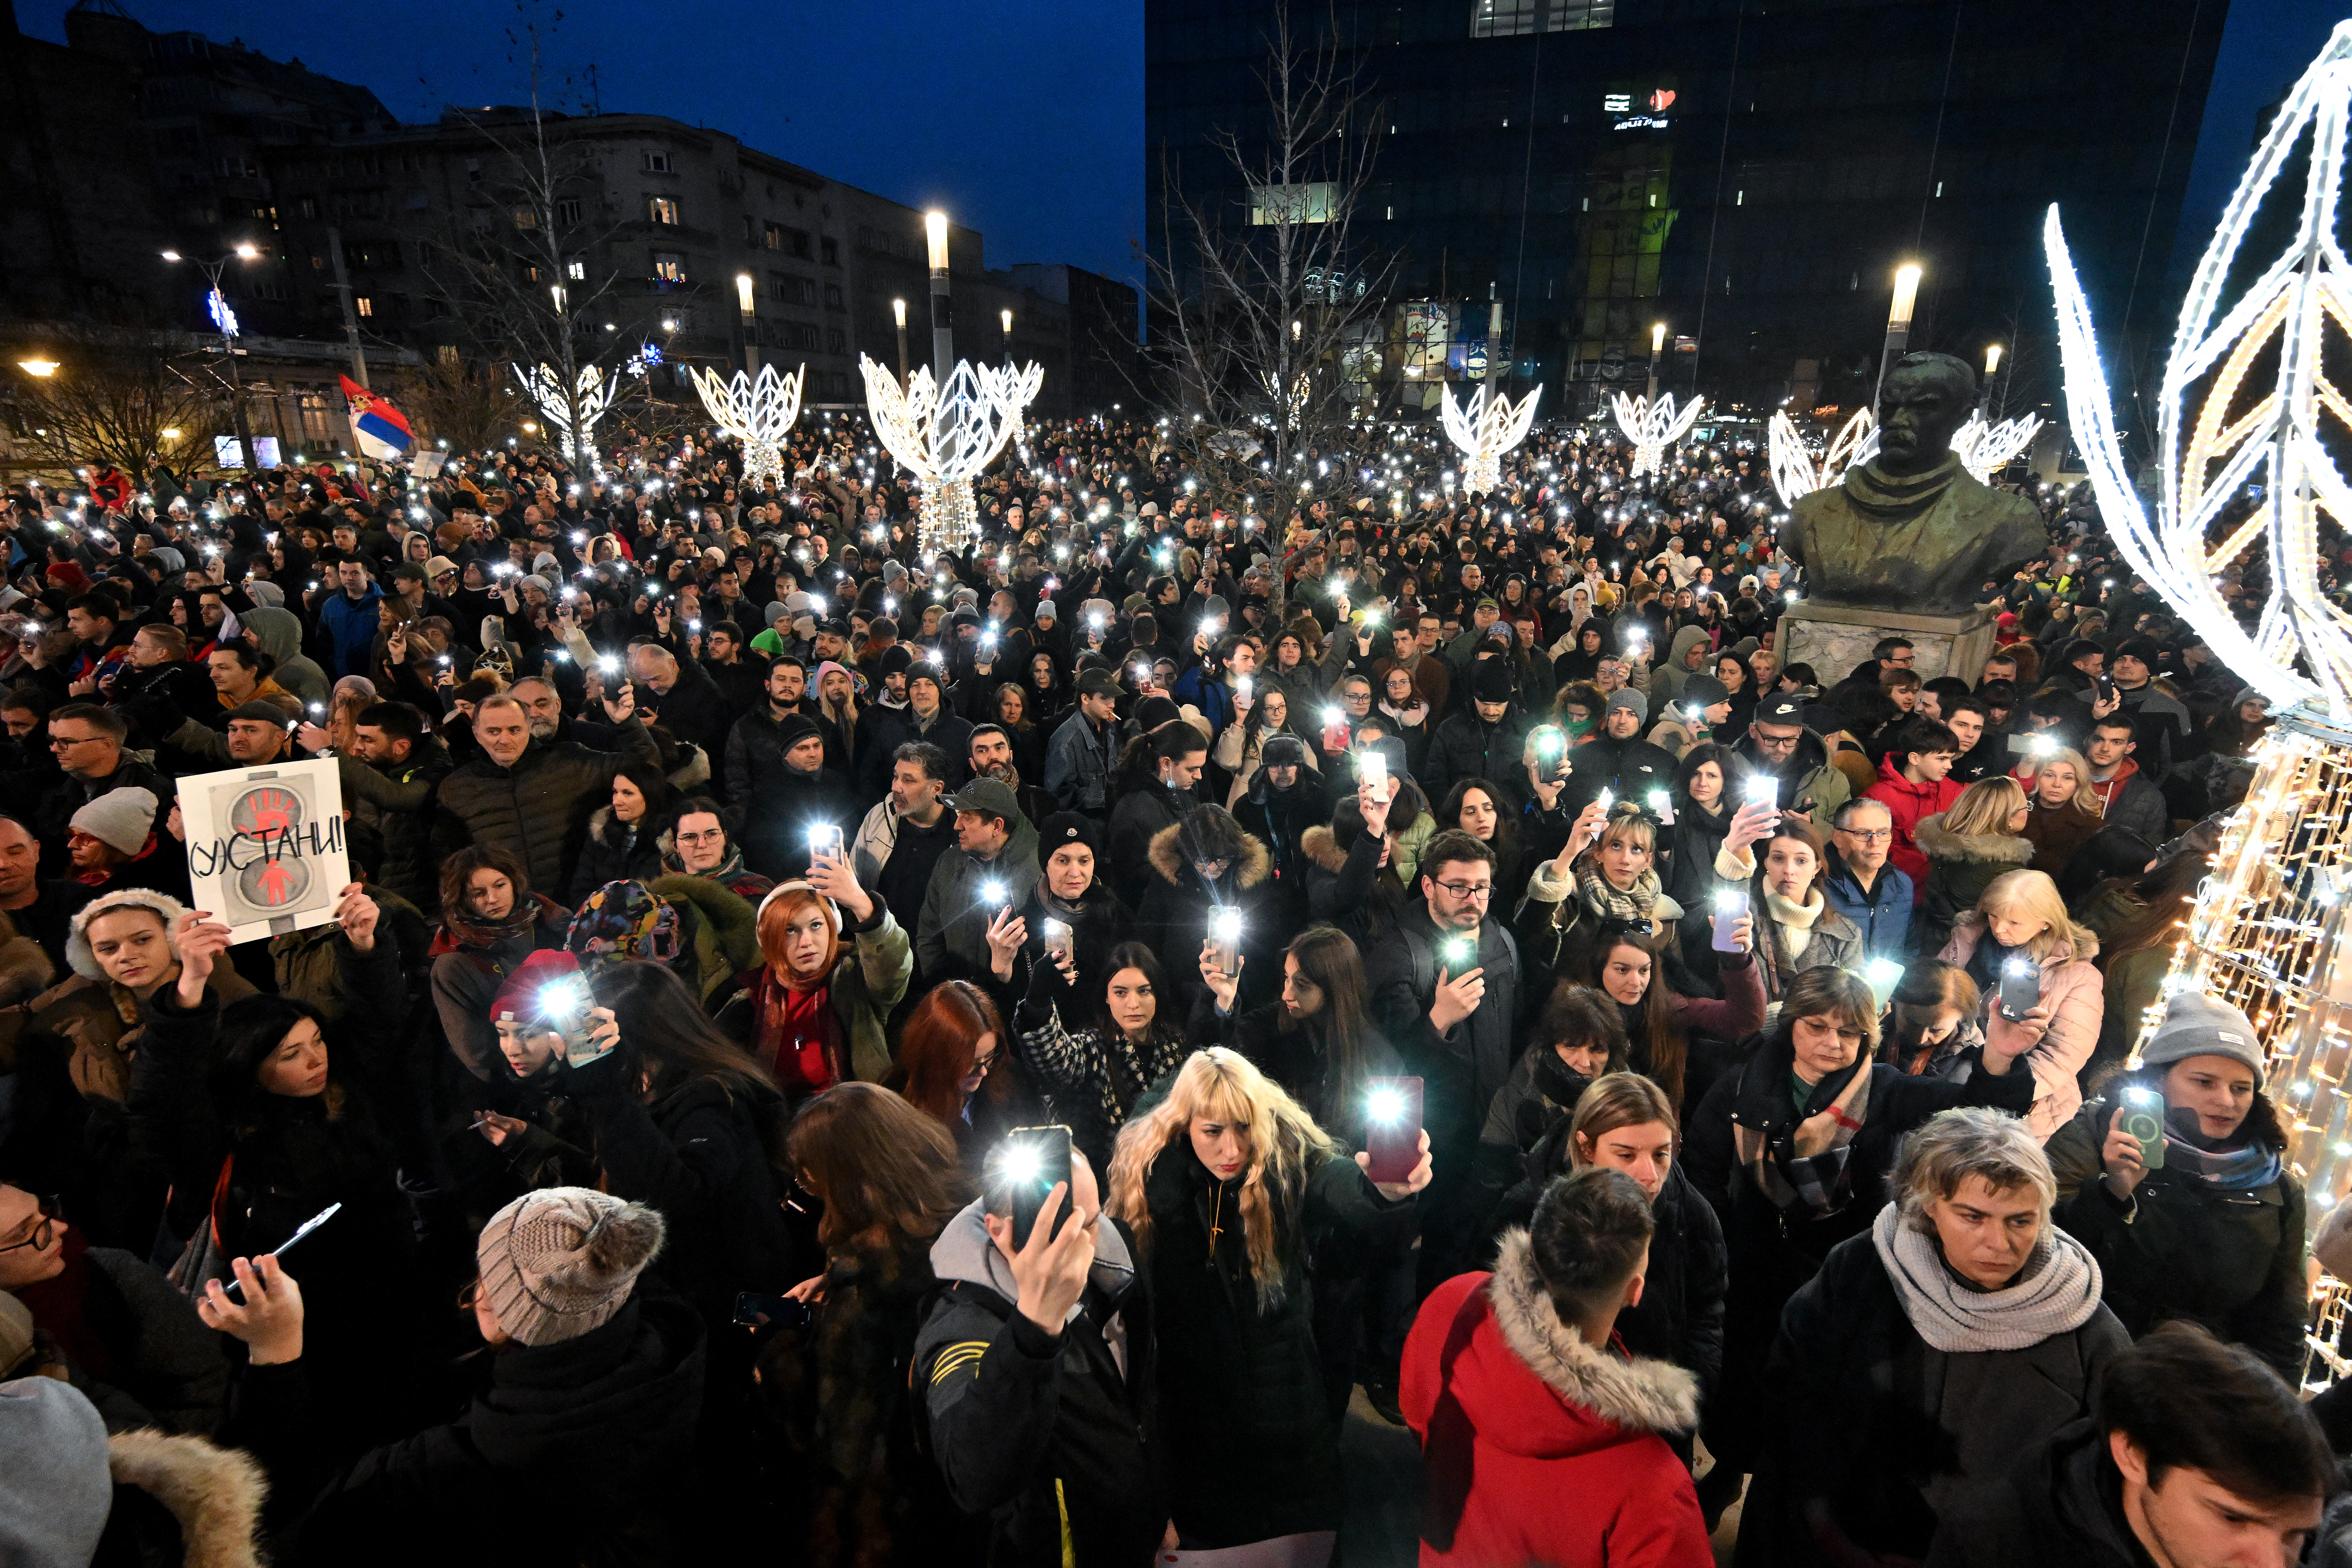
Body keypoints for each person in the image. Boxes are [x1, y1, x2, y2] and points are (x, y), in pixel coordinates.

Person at [1683, 968, 2039, 1525]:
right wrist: (1718, 1248)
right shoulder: (1741, 1084)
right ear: (1791, 1025)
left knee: (1820, 1388)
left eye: (1848, 1032)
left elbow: (1979, 1115)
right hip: (1753, 1263)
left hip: (1841, 1268)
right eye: (1818, 1026)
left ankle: (1793, 1493)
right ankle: (1731, 1471)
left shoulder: (1885, 1089)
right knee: (1747, 1379)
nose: (1833, 1042)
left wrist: (2000, 1056)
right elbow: (1702, 1170)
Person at [195, 1189, 703, 1568]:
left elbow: (280, 1511)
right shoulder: (665, 1344)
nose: (473, 1287)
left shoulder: (456, 1469)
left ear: (507, 1317)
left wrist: (274, 1353)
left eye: (485, 1278)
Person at [1743, 1107, 2127, 1566]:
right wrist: (1822, 1523)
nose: (1999, 1243)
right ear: (1928, 1204)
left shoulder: (2084, 1325)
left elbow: (2102, 1485)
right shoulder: (1857, 1272)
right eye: (1973, 1216)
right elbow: (1795, 1400)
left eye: (2021, 1221)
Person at [1107, 1047, 1429, 1556]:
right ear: (1184, 1125)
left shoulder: (1282, 1151)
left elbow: (1333, 1179)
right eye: (1213, 1131)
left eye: (1243, 1128)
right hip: (1196, 1410)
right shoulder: (1150, 1180)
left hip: (1286, 1394)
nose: (1232, 1148)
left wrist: (1381, 1192)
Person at [1403, 1165, 1712, 1568]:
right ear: (1634, 1291)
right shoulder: (1656, 1491)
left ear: (1533, 1243)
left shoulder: (1454, 1302)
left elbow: (1417, 1415)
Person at [915, 1138, 1164, 1566]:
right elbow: (975, 1479)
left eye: (1091, 1221)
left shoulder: (1112, 1260)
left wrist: (1159, 1511)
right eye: (1058, 1229)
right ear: (999, 1231)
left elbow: (1142, 1398)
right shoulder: (963, 1325)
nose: (1083, 1244)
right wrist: (1035, 1327)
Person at [2042, 992, 2306, 1378]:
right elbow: (2038, 1246)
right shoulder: (2096, 1137)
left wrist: (2274, 1404)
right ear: (2159, 1081)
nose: (2226, 1101)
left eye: (2241, 1088)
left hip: (2200, 1388)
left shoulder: (2275, 1187)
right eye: (2204, 1082)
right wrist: (2112, 1193)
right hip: (2086, 1367)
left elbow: (2281, 1321)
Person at [1926, 1323, 2331, 1568]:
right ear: (2134, 1455)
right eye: (2232, 1518)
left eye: (2294, 1535)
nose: (2272, 1563)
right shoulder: (1991, 1546)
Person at [773, 1083, 972, 1565]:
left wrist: (777, 1352)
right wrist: (832, 1279)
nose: (802, 1183)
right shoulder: (953, 1228)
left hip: (880, 1516)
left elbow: (839, 1434)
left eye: (811, 1171)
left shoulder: (869, 1291)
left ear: (849, 1177)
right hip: (947, 1494)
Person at [1369, 830, 1522, 1286]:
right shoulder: (1400, 953)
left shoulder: (1502, 942)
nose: (1472, 899)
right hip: (1431, 1144)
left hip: (1491, 1134)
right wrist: (1438, 1021)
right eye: (1458, 887)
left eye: (1481, 887)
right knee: (1424, 1269)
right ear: (1429, 886)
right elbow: (1387, 1063)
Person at [432, 692, 660, 901]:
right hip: (506, 913)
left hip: (578, 904)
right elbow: (449, 863)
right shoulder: (455, 789)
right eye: (494, 731)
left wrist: (627, 723)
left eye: (514, 730)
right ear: (477, 734)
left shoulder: (572, 762)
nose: (505, 740)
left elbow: (646, 769)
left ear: (529, 728)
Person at [715, 857, 911, 1096]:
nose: (806, 941)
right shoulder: (749, 998)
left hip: (850, 1113)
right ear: (769, 938)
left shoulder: (856, 981)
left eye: (816, 925)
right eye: (790, 930)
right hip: (776, 1116)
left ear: (833, 926)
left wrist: (863, 905)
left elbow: (893, 965)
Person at [1935, 868, 2104, 1140]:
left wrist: (1999, 1086)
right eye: (1994, 916)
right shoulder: (1968, 940)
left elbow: (2062, 1055)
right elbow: (1934, 996)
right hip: (1943, 1071)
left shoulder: (2077, 976)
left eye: (2014, 922)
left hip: (2019, 1102)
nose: (1999, 929)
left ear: (2046, 922)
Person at [1014, 938, 1189, 1174]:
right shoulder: (1094, 1047)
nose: (1133, 1004)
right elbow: (1053, 1061)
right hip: (1103, 1181)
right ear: (1107, 997)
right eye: (1120, 993)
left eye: (1144, 991)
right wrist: (1038, 1000)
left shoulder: (1176, 1047)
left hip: (1168, 1179)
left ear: (1157, 993)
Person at [887, 980, 1027, 1175]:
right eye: (971, 1063)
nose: (984, 1072)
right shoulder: (897, 1110)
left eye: (989, 1057)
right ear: (936, 1056)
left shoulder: (1007, 1076)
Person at [917, 778, 1042, 989]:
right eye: (958, 815)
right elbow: (930, 933)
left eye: (967, 817)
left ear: (997, 826)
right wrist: (943, 989)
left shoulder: (1040, 871)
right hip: (955, 997)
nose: (957, 826)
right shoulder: (948, 862)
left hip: (1011, 1002)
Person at [1748, 816, 1865, 1011]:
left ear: (1816, 868)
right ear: (1766, 862)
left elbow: (1850, 1006)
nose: (1789, 870)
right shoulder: (1744, 919)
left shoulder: (1845, 935)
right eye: (1778, 859)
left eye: (1801, 861)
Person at [1914, 777, 2036, 959]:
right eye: (2025, 807)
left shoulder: (1946, 848)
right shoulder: (2003, 868)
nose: (2027, 811)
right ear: (2007, 818)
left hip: (1931, 943)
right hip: (1966, 954)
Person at [1862, 717, 1964, 890]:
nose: (1949, 766)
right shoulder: (1878, 798)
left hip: (1939, 889)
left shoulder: (1948, 788)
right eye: (1941, 759)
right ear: (1914, 758)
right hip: (1899, 891)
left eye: (1950, 759)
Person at [1736, 691, 1852, 834]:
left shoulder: (1831, 780)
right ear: (1753, 731)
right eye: (1770, 739)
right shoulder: (1723, 765)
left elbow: (1847, 836)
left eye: (1790, 740)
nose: (1780, 749)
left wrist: (1810, 826)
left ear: (1800, 732)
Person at [567, 760, 675, 905]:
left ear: (651, 796)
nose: (616, 801)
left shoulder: (671, 842)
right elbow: (580, 892)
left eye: (628, 793)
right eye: (615, 792)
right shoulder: (601, 834)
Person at [1822, 797, 1913, 957]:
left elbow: (1910, 948)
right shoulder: (1818, 883)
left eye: (1883, 833)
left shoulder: (1902, 884)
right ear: (1838, 839)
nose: (1875, 842)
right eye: (1863, 834)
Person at [2018, 744, 2106, 878]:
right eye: (2049, 775)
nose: (2057, 784)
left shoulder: (2092, 825)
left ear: (2078, 783)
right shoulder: (2016, 812)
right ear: (2037, 778)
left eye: (2067, 778)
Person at [2081, 713, 2169, 845]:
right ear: (2087, 741)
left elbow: (2151, 846)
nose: (2105, 749)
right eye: (2098, 740)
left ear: (2129, 748)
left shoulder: (2148, 795)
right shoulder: (2060, 776)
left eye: (2116, 742)